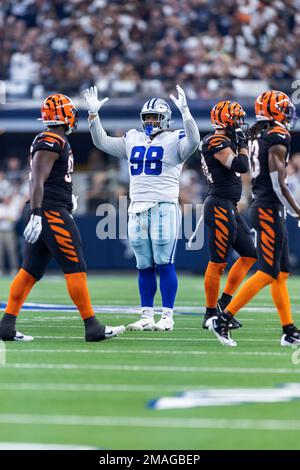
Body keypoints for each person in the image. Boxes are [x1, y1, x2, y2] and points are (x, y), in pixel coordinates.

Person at [0, 93, 125, 342]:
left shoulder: (54, 139)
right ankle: (92, 326)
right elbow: (37, 179)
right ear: (65, 116)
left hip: (50, 207)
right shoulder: (50, 140)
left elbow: (51, 179)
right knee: (75, 266)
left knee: (30, 271)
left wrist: (67, 198)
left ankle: (6, 326)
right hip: (49, 211)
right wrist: (37, 212)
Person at [85, 85, 200, 331]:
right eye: (147, 117)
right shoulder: (132, 138)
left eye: (154, 117)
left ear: (166, 118)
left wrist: (187, 113)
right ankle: (147, 315)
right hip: (136, 207)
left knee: (164, 262)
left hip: (164, 206)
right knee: (144, 264)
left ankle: (167, 316)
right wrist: (94, 117)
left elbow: (194, 142)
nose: (150, 121)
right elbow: (102, 142)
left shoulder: (176, 138)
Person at [208, 90, 300, 347]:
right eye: (285, 109)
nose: (288, 114)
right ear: (276, 112)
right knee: (266, 270)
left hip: (267, 206)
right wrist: (297, 211)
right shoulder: (278, 136)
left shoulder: (261, 136)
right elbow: (278, 183)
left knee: (280, 273)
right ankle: (223, 317)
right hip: (269, 207)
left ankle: (289, 330)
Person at [200, 100, 257, 332]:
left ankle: (224, 304)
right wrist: (243, 145)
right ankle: (210, 313)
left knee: (250, 255)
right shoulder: (215, 140)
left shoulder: (225, 139)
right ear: (225, 120)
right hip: (219, 205)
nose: (240, 123)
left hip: (229, 205)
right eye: (236, 119)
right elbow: (241, 165)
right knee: (218, 261)